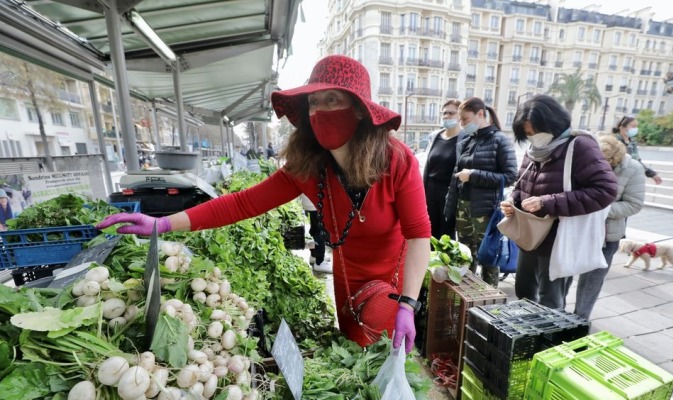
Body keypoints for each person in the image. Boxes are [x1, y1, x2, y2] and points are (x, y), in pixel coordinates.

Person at [97, 55, 431, 353]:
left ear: (359, 109)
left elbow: (418, 235)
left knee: (388, 356)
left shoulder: (396, 160)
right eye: (313, 102)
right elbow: (240, 204)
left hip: (394, 277)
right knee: (353, 348)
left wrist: (407, 304)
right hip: (347, 276)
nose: (320, 111)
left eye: (332, 99)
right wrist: (163, 223)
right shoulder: (308, 165)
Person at [500, 95, 618, 310]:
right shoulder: (533, 151)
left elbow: (606, 190)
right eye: (528, 134)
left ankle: (549, 340)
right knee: (524, 289)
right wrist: (513, 202)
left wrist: (548, 202)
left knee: (551, 299)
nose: (534, 138)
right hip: (530, 234)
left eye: (537, 131)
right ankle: (525, 332)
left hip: (558, 238)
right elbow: (522, 184)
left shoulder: (580, 146)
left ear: (553, 123)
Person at [443, 97, 517, 287]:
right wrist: (449, 207)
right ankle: (468, 299)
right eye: (460, 119)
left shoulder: (500, 140)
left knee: (488, 258)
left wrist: (474, 175)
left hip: (486, 211)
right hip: (463, 208)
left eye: (465, 119)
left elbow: (510, 176)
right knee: (466, 256)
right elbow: (455, 177)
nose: (461, 124)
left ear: (480, 114)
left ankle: (489, 302)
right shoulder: (466, 141)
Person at [574, 134, 645, 320]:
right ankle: (557, 316)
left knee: (592, 280)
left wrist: (601, 209)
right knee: (563, 274)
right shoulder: (588, 161)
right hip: (578, 229)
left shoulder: (633, 169)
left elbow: (634, 204)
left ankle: (580, 320)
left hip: (607, 234)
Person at [422, 99, 463, 239]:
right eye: (444, 113)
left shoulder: (465, 139)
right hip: (429, 192)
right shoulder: (435, 137)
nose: (447, 116)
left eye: (451, 113)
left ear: (460, 116)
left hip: (449, 193)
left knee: (445, 235)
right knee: (428, 232)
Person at [614, 115, 662, 185]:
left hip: (630, 179)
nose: (636, 129)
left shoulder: (632, 142)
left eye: (636, 126)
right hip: (617, 179)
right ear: (622, 127)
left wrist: (651, 174)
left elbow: (637, 161)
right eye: (633, 126)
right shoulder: (614, 142)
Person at [300, 193, 332, 274]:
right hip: (316, 201)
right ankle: (320, 261)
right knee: (320, 231)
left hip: (310, 202)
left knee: (315, 228)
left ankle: (314, 255)